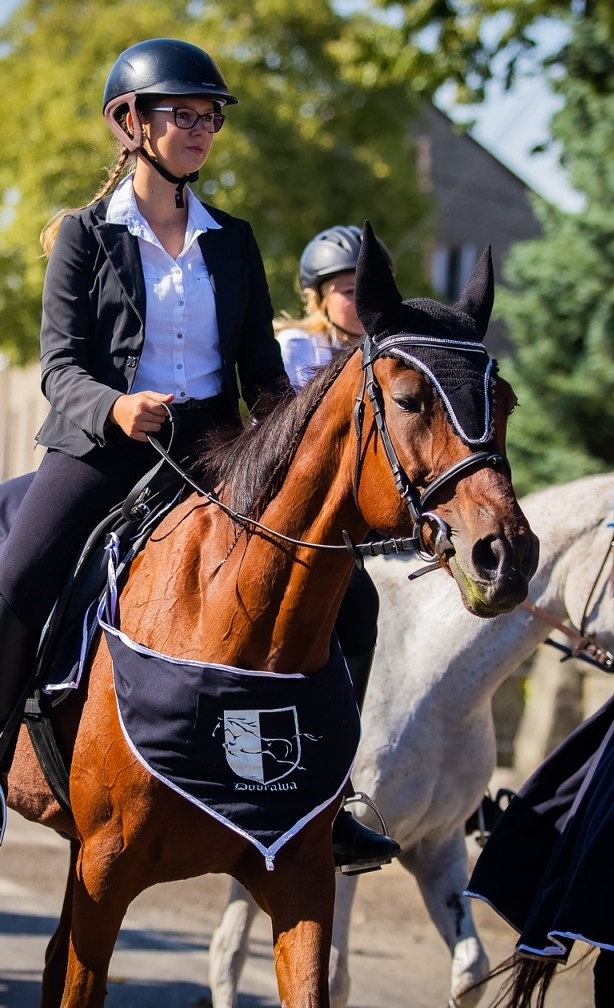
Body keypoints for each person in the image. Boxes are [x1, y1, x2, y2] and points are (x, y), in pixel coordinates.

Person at [0, 37, 294, 864]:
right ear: (130, 123)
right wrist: (116, 405)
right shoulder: (83, 238)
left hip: (212, 448)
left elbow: (261, 375)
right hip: (104, 442)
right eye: (185, 114)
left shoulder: (234, 241)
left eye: (211, 117)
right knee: (18, 578)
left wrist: (292, 444)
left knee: (343, 593)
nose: (202, 129)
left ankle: (332, 787)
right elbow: (59, 369)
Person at [275, 225, 402, 872]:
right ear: (318, 297)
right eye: (349, 291)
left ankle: (332, 794)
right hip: (280, 522)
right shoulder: (295, 349)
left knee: (368, 599)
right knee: (355, 595)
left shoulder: (393, 358)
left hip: (353, 530)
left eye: (367, 292)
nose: (360, 303)